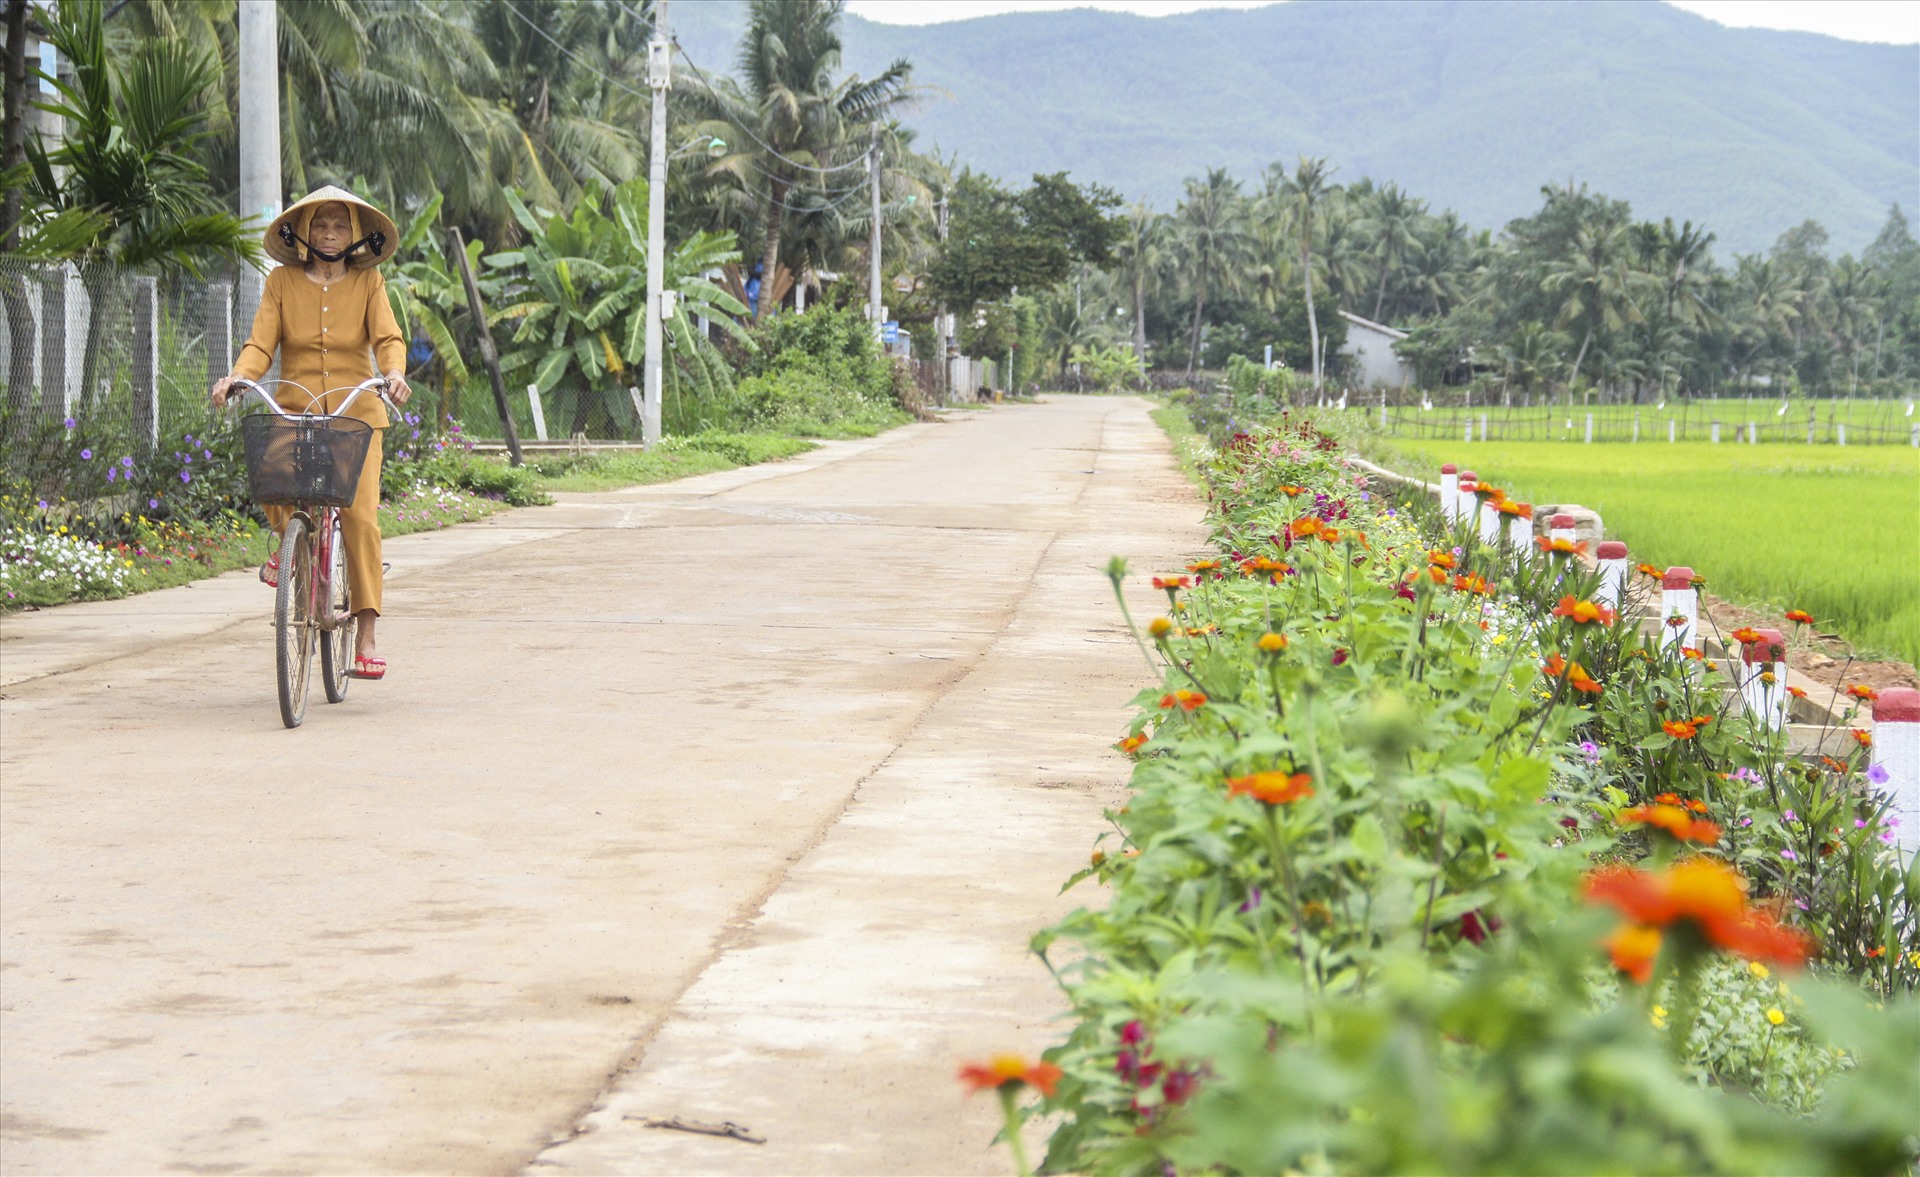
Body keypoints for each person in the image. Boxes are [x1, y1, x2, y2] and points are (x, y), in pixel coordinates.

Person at [211, 186, 411, 680]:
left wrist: (395, 373)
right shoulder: (281, 282)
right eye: (320, 224)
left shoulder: (369, 283)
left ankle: (364, 638)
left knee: (360, 517)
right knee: (272, 469)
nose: (329, 233)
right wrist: (239, 377)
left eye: (339, 225)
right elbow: (261, 343)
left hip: (357, 415)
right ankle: (290, 542)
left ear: (355, 234)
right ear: (303, 231)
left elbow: (388, 339)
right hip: (297, 409)